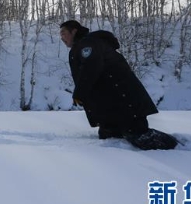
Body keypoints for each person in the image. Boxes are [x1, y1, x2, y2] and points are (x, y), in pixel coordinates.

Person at [59, 20, 178, 150]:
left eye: (64, 33)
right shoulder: (84, 46)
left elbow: (91, 67)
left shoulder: (88, 44)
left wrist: (80, 93)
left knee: (138, 135)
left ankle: (177, 147)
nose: (62, 38)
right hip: (112, 104)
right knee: (110, 137)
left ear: (74, 31)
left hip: (124, 100)